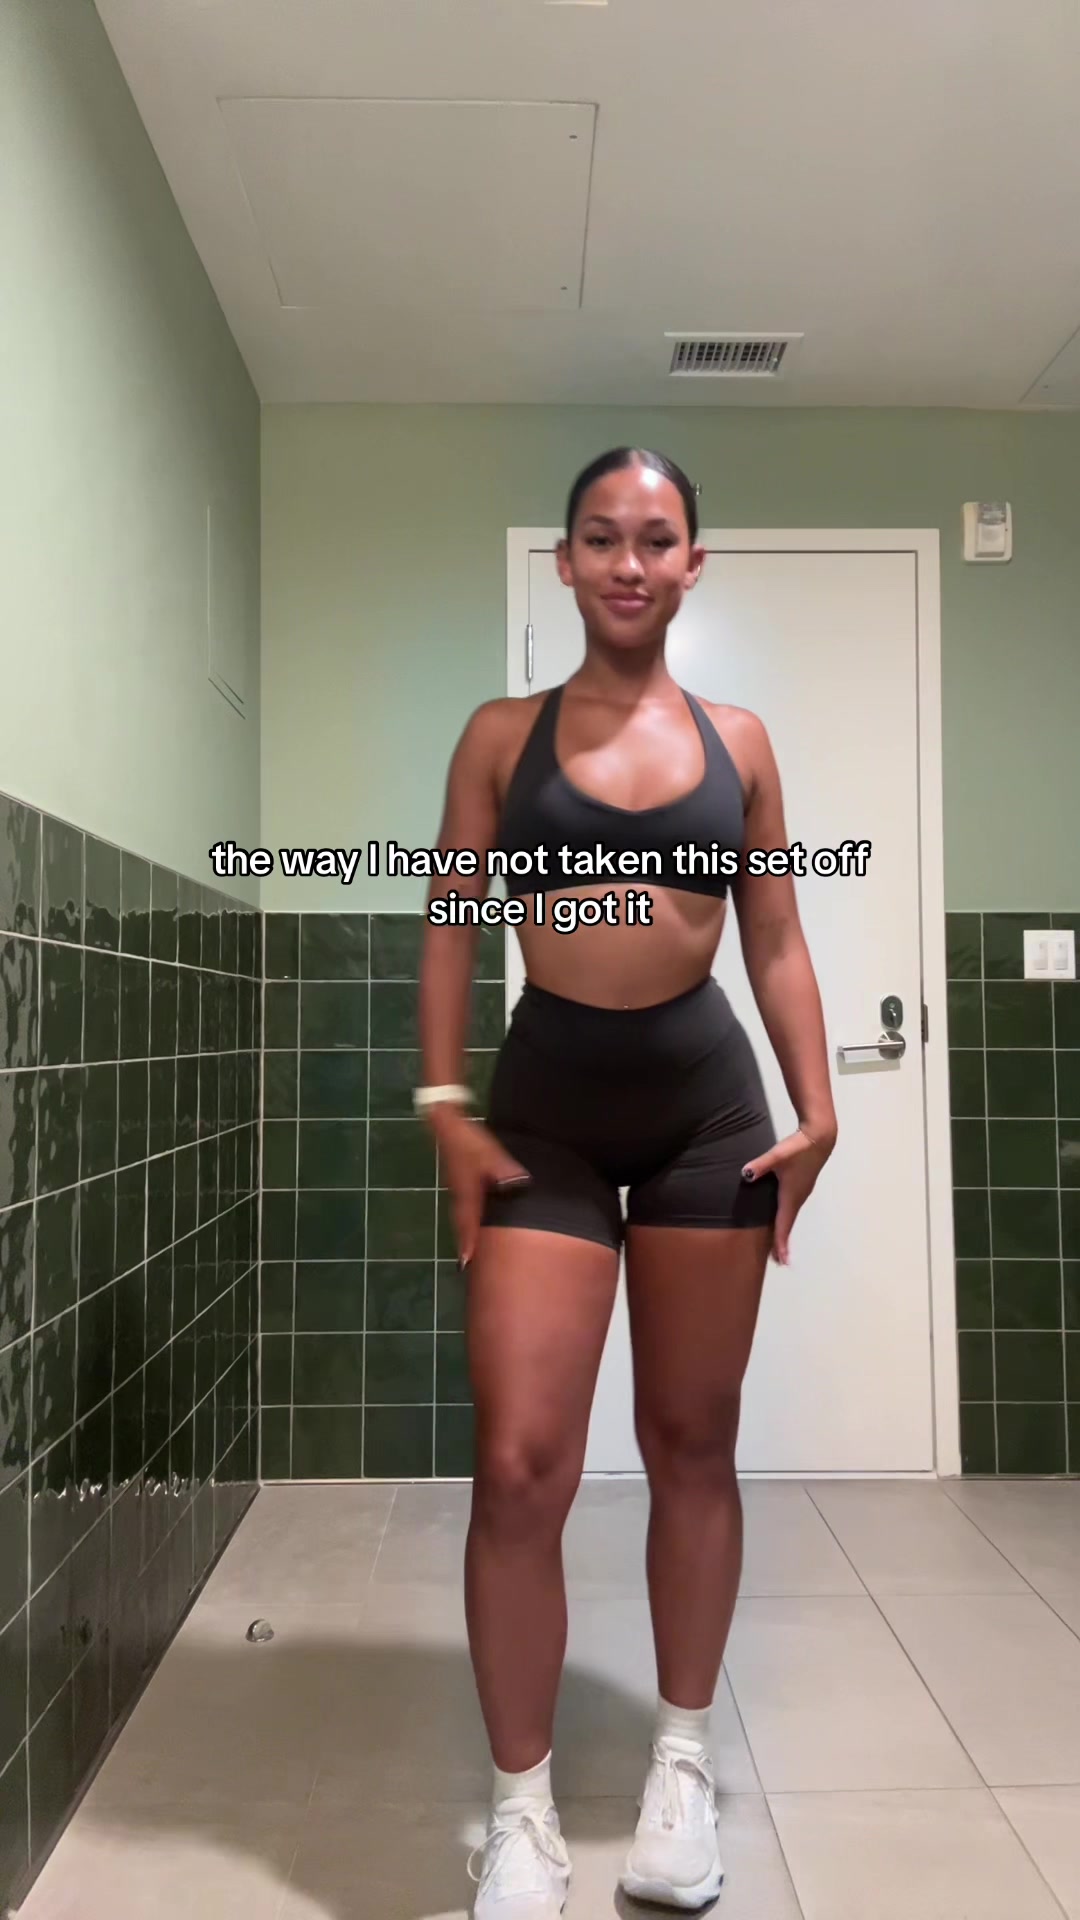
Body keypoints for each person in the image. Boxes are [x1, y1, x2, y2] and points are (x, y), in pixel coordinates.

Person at [416, 448, 837, 1916]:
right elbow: (452, 923)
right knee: (520, 1463)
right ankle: (520, 1814)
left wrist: (820, 1104)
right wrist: (444, 1103)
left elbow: (774, 936)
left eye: (657, 539)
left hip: (705, 1113)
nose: (629, 562)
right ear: (567, 562)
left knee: (691, 1443)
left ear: (693, 564)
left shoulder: (741, 742)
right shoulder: (500, 738)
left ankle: (681, 1769)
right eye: (602, 537)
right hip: (546, 1111)